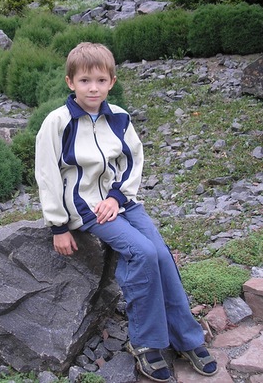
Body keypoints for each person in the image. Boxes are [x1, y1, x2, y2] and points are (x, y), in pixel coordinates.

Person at [34, 42, 218, 381]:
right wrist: (58, 226)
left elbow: (133, 159)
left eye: (101, 80)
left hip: (120, 201)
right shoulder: (58, 122)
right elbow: (46, 174)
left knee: (161, 254)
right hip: (86, 207)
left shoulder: (119, 117)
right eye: (85, 80)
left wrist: (117, 197)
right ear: (70, 82)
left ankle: (186, 337)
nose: (93, 88)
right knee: (142, 252)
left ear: (112, 82)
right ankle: (146, 342)